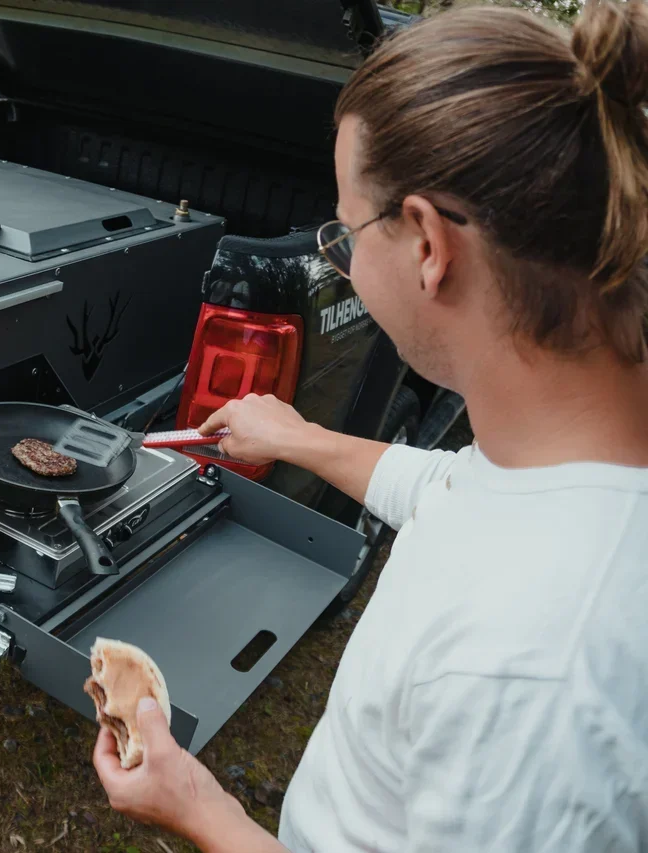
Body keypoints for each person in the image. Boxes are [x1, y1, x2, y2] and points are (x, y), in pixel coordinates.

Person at [92, 2, 648, 851]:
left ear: (427, 242)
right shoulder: (563, 449)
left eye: (345, 229)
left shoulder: (538, 678)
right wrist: (294, 435)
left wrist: (200, 806)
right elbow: (450, 487)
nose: (339, 253)